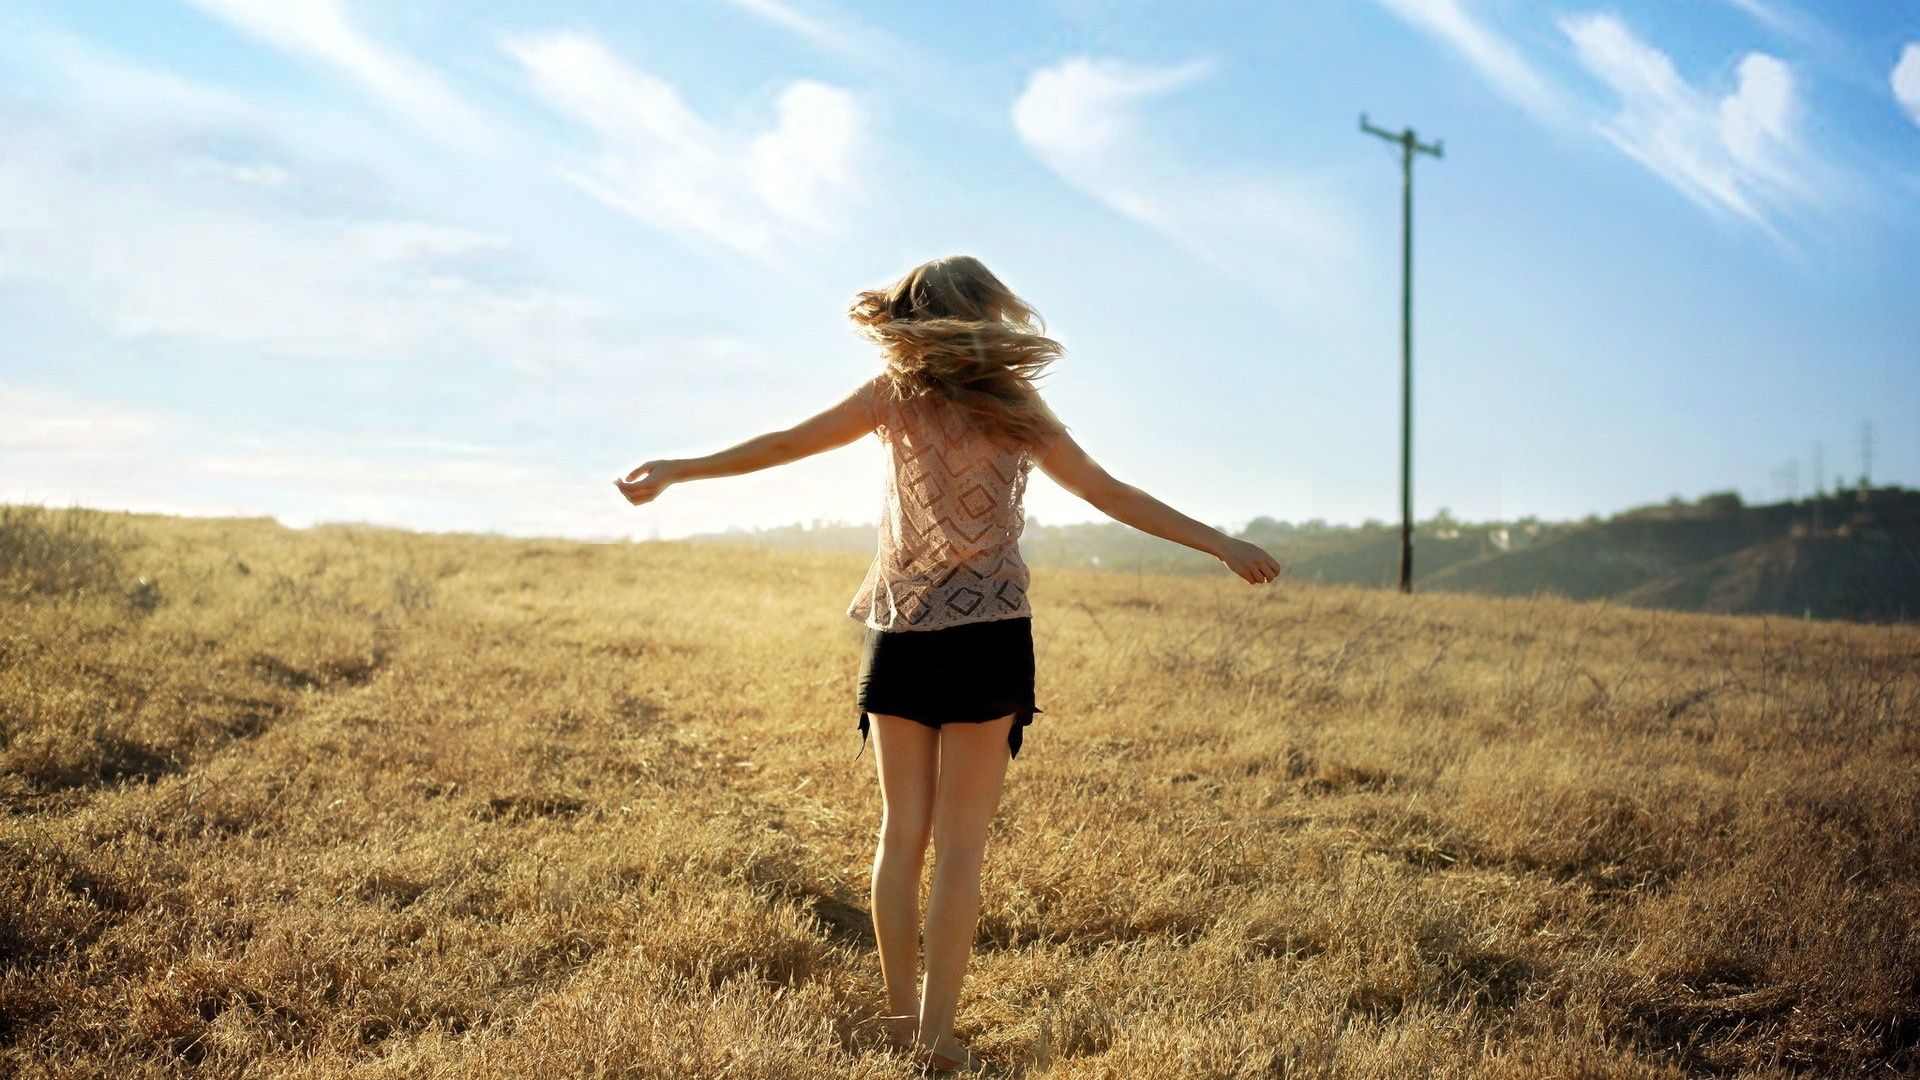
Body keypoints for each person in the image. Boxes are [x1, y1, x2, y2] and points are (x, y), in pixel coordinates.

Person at [614, 255, 1282, 1072]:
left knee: (902, 835)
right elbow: (1108, 493)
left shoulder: (892, 397)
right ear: (987, 312)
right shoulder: (1016, 405)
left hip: (902, 631)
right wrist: (1220, 543)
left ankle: (901, 1025)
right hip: (989, 636)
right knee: (961, 848)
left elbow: (786, 443)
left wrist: (680, 470)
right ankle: (935, 1037)